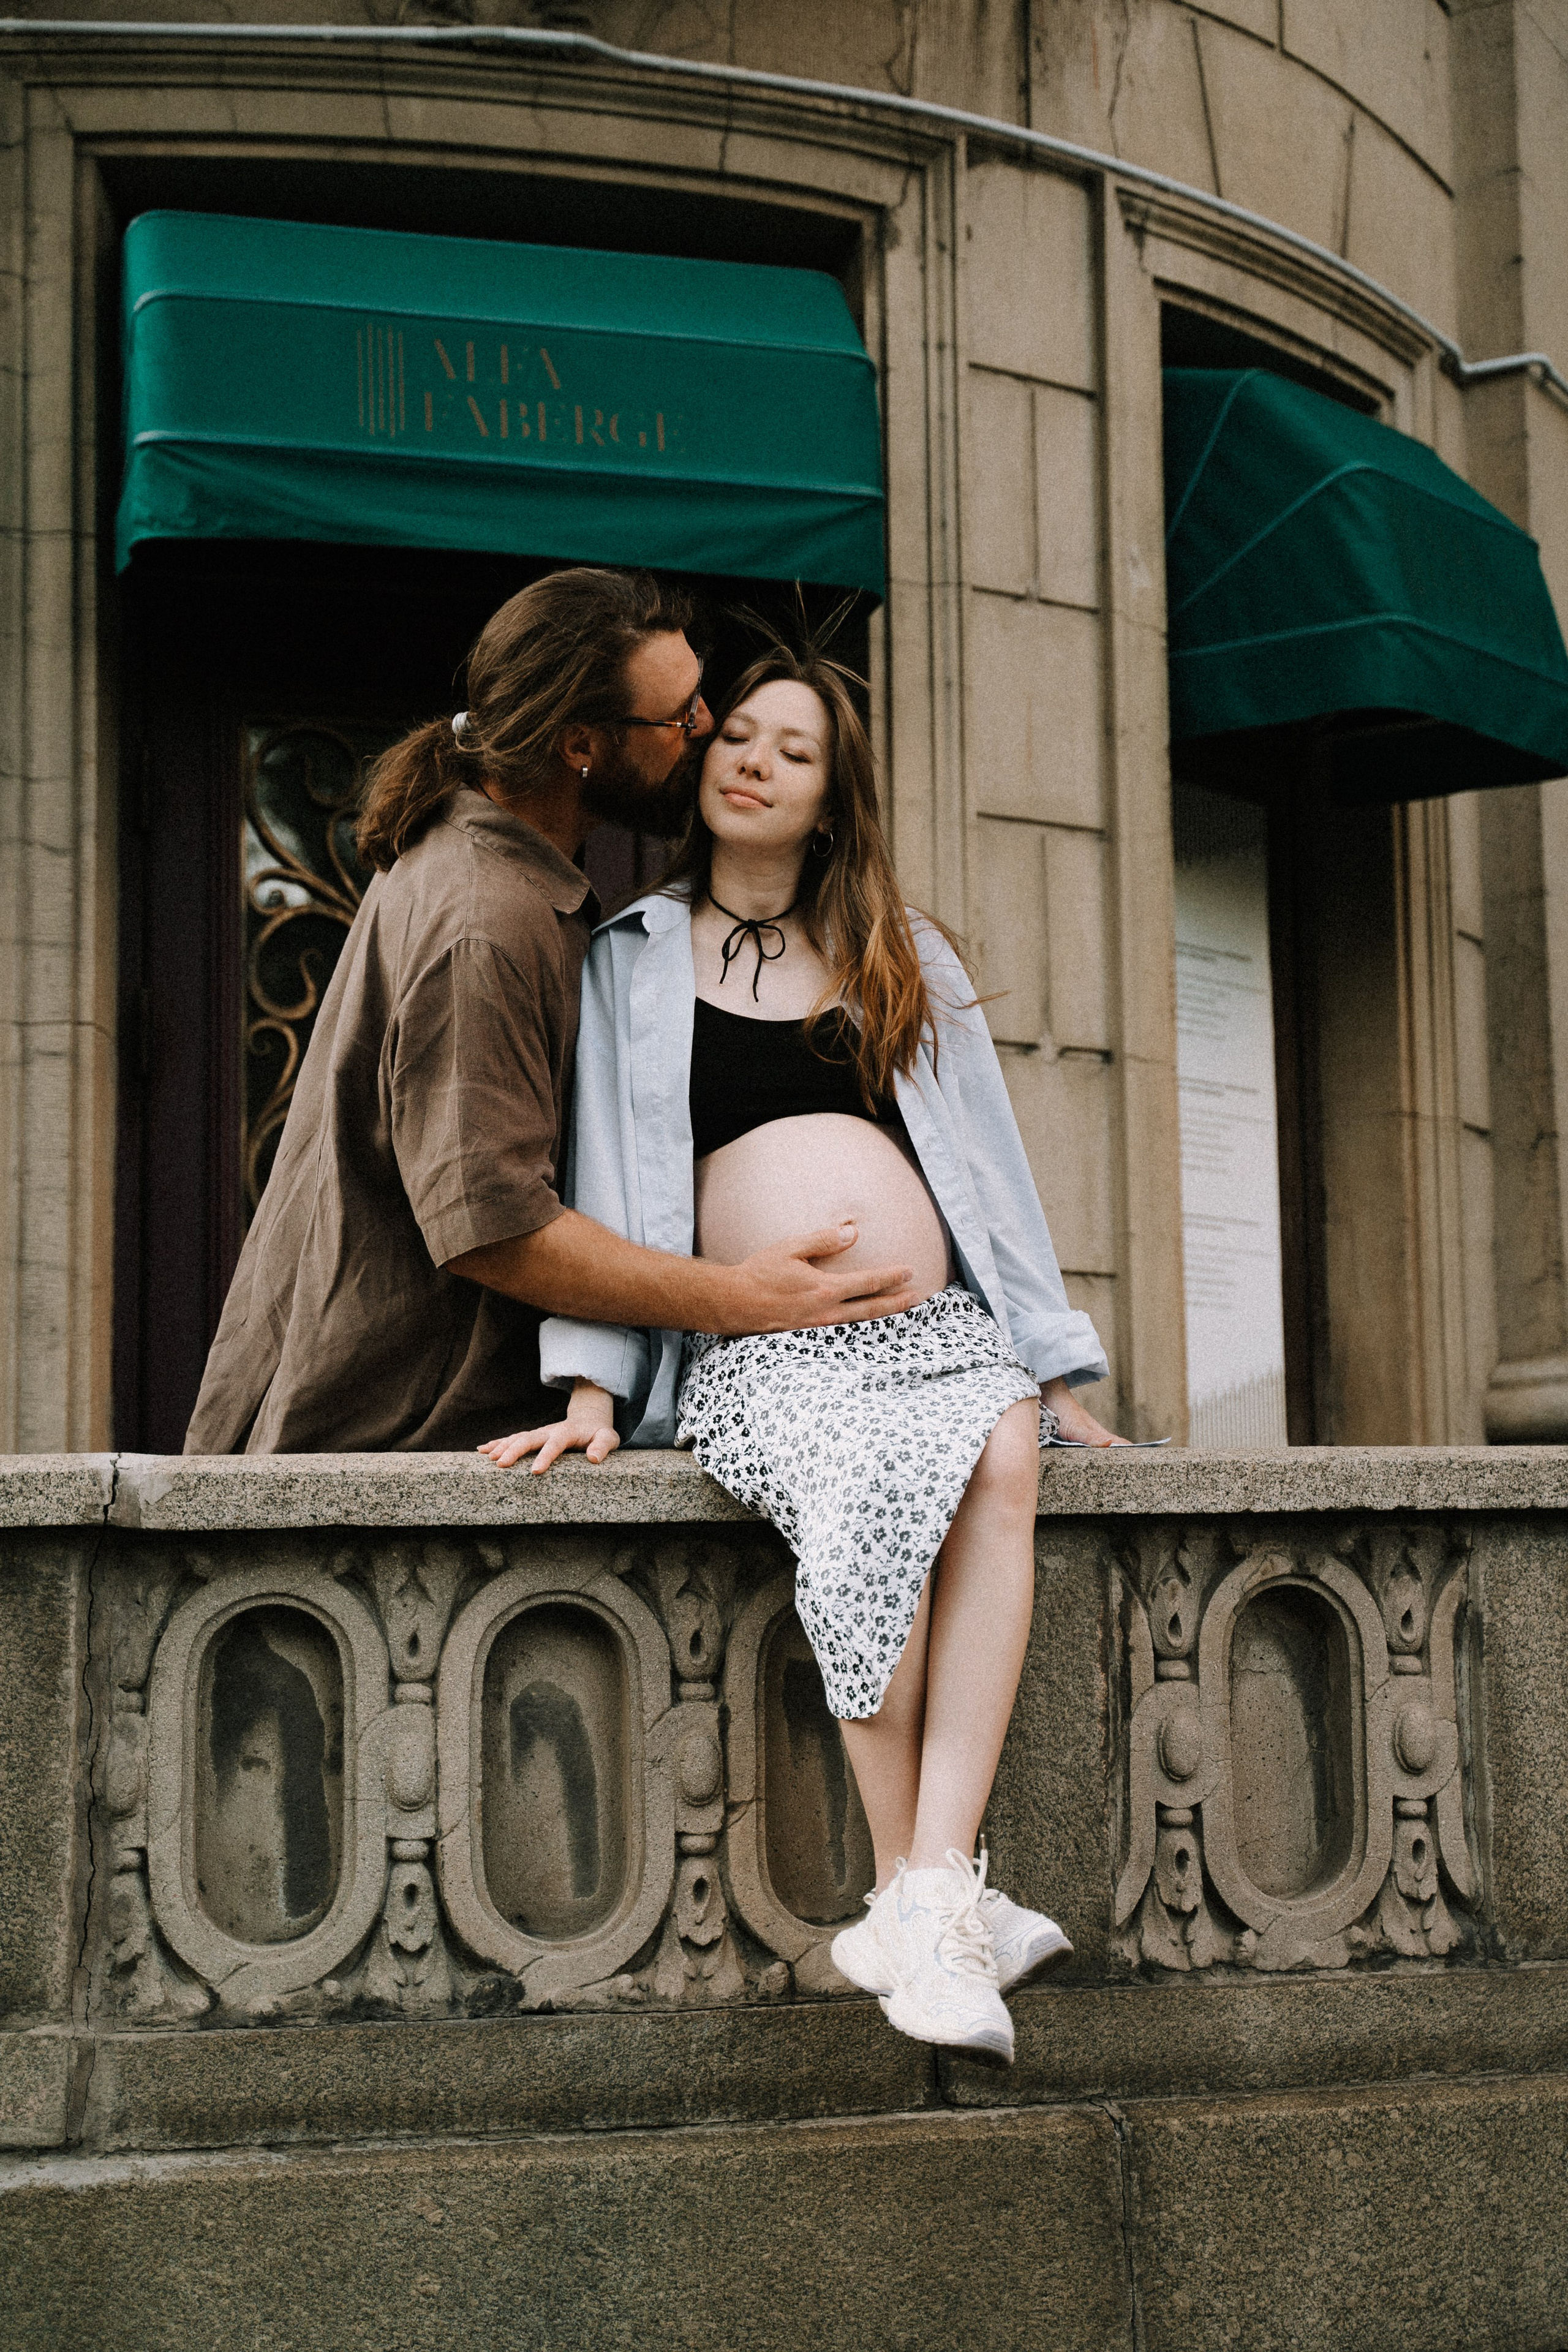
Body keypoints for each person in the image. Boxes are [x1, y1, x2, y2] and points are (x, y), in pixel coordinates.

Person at [480, 636, 1126, 2062]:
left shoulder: (903, 951)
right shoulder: (630, 959)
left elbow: (987, 1175)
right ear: (701, 766)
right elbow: (598, 1180)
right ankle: (932, 1904)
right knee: (862, 1497)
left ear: (831, 799)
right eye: (737, 738)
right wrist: (594, 1384)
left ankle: (923, 1889)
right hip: (762, 1351)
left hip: (932, 1331)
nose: (753, 760)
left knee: (1002, 1443)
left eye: (794, 749)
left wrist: (1050, 1368)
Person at [184, 570, 919, 1455]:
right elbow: (493, 1231)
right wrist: (741, 1299)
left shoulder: (511, 869)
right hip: (399, 1447)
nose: (703, 731)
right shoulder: (482, 924)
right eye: (678, 716)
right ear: (581, 744)